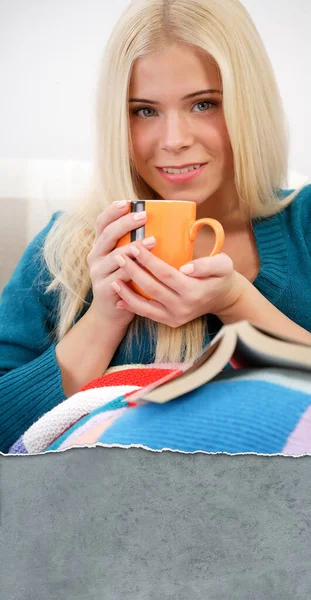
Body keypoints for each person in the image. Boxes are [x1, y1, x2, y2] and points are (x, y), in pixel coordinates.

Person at [1, 0, 311, 454]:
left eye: (204, 104)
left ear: (251, 104)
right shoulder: (65, 247)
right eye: (144, 111)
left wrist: (235, 302)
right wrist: (107, 316)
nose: (173, 140)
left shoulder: (303, 224)